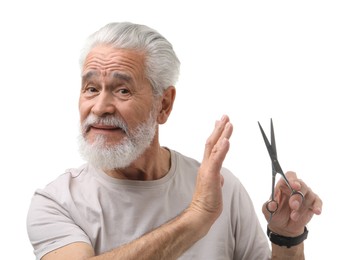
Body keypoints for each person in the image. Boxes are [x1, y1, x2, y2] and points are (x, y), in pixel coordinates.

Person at [27, 22, 322, 260]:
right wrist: (196, 219)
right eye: (91, 88)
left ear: (163, 105)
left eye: (122, 91)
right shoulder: (57, 202)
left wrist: (288, 239)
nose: (100, 107)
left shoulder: (223, 189)